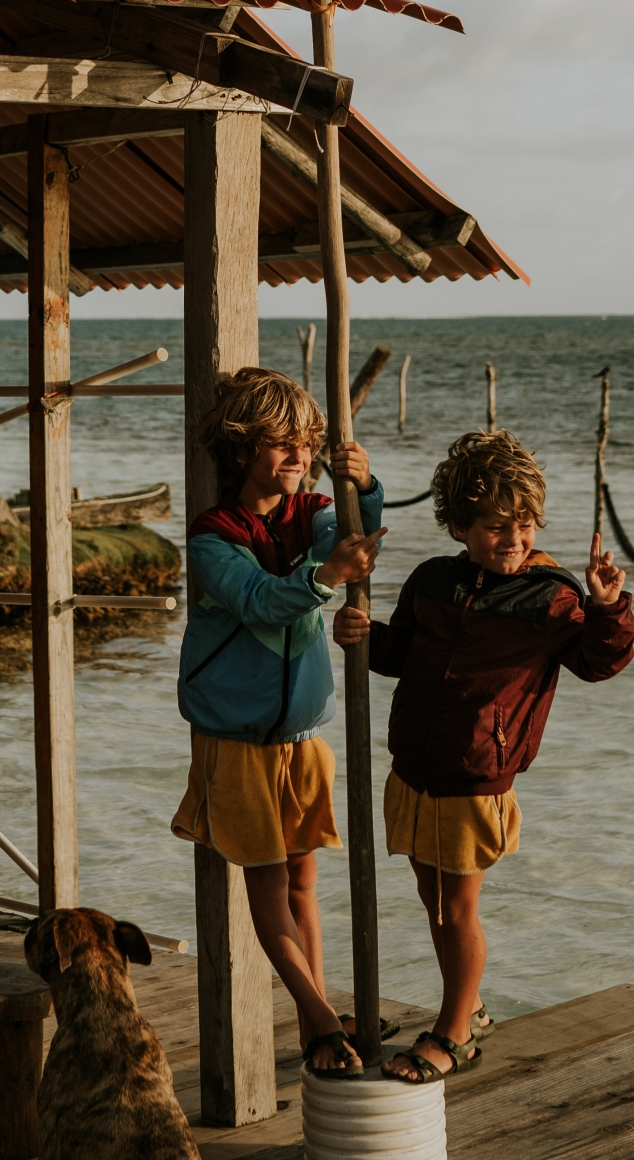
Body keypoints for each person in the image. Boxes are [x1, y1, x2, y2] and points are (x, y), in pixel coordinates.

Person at [334, 429, 634, 1084]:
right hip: (414, 769)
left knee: (457, 908)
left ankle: (454, 1032)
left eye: (525, 525)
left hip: (476, 780)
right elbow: (402, 657)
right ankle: (467, 1005)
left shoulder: (550, 597)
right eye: (499, 527)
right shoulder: (432, 580)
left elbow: (599, 661)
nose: (515, 540)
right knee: (432, 899)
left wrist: (608, 605)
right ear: (461, 524)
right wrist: (362, 635)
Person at [172, 366, 387, 1080]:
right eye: (283, 444)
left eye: (307, 443)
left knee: (303, 885)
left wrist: (365, 485)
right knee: (268, 888)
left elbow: (353, 531)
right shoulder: (212, 538)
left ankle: (315, 1015)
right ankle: (323, 1019)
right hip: (236, 741)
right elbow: (263, 601)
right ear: (241, 451)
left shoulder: (315, 514)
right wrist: (323, 579)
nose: (300, 456)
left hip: (300, 737)